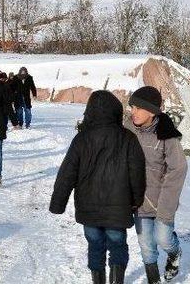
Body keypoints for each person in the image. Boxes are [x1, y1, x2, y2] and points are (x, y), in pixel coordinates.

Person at [50, 90, 146, 284]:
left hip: (89, 208)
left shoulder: (81, 139)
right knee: (118, 246)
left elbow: (67, 173)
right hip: (118, 208)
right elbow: (137, 173)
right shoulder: (128, 138)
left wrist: (57, 203)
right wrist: (136, 200)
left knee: (95, 246)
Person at [125, 86, 188, 284]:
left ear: (151, 111)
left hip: (161, 202)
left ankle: (174, 252)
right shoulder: (126, 130)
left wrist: (166, 208)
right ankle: (154, 280)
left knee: (163, 239)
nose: (132, 112)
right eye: (131, 107)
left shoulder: (166, 135)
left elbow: (178, 170)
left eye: (137, 108)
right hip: (139, 201)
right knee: (146, 245)